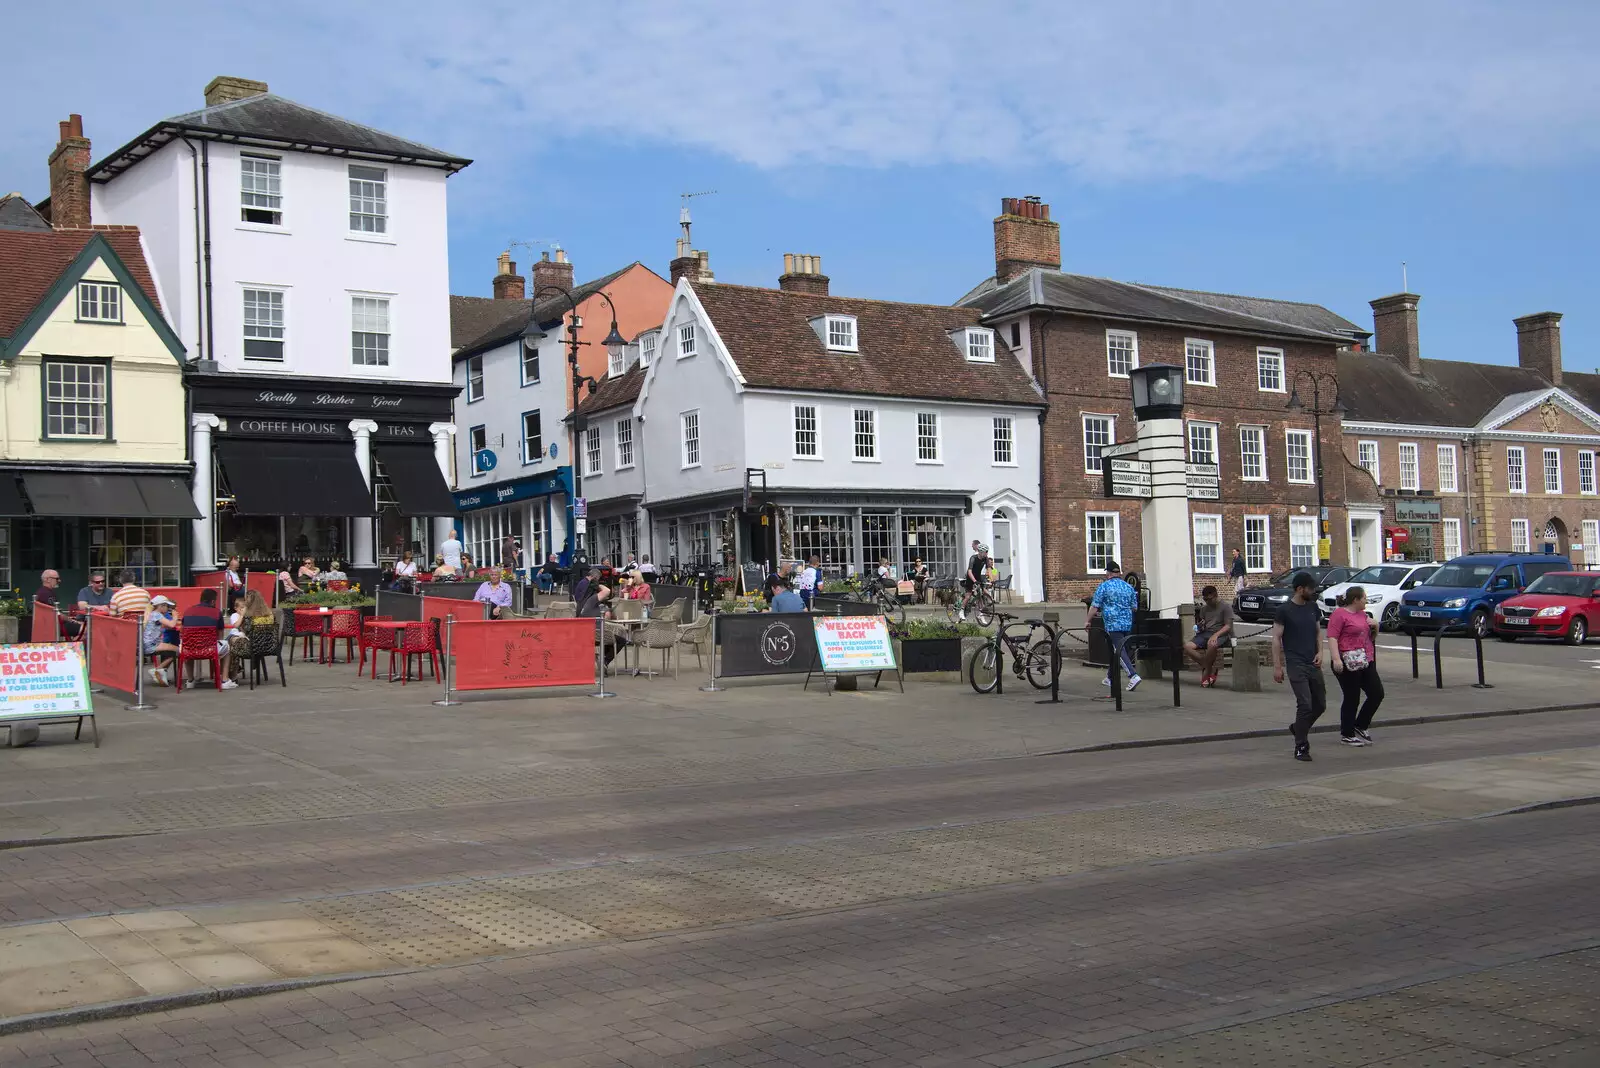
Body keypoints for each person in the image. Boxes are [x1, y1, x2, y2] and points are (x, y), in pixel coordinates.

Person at [1273, 572, 1326, 762]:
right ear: (1299, 589)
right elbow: (1277, 639)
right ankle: (1301, 745)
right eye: (1310, 589)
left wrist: (1320, 652)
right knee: (1305, 704)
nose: (1313, 592)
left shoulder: (1313, 608)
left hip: (1313, 662)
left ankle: (1298, 728)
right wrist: (1278, 666)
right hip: (1295, 663)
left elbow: (1318, 633)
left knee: (1320, 705)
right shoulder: (1285, 610)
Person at [1327, 586, 1383, 747]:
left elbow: (1370, 637)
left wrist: (1376, 626)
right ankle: (1347, 733)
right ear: (1356, 600)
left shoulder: (1363, 615)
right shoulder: (1339, 615)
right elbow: (1332, 637)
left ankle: (1360, 725)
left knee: (1377, 693)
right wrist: (1336, 659)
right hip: (1347, 660)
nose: (1366, 600)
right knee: (1352, 697)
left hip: (1366, 659)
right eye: (1364, 598)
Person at [1089, 561, 1140, 691]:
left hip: (1112, 624)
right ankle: (1109, 678)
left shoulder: (1104, 587)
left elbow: (1095, 606)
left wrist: (1088, 620)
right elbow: (1134, 608)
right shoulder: (1129, 587)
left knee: (1118, 650)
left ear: (1109, 573)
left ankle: (1133, 675)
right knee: (1116, 650)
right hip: (1127, 624)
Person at [180, 589, 236, 689]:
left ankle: (190, 680)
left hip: (190, 648)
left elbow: (182, 631)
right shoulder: (216, 612)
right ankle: (224, 679)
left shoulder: (188, 611)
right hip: (209, 648)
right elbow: (220, 635)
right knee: (227, 647)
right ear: (213, 601)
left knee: (185, 646)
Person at [1184, 585, 1234, 687]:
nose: (1207, 602)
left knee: (1212, 644)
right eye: (1205, 599)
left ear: (1215, 596)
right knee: (1187, 647)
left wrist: (1215, 635)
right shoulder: (1204, 609)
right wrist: (1199, 626)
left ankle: (1206, 673)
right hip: (1205, 633)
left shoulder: (1225, 607)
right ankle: (1210, 668)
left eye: (1209, 599)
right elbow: (1201, 626)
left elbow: (1228, 626)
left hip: (1220, 633)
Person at [576, 581, 626, 665]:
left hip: (590, 634)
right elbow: (607, 591)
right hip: (595, 634)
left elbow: (607, 617)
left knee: (610, 640)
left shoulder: (589, 602)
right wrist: (598, 585)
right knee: (621, 641)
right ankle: (605, 661)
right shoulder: (592, 599)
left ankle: (602, 660)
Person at [34, 569, 84, 639]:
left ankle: (72, 647)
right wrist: (74, 621)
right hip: (54, 625)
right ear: (48, 579)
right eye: (57, 579)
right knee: (87, 630)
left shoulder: (44, 592)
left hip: (53, 624)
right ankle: (71, 648)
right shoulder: (46, 594)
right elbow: (56, 614)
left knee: (85, 629)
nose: (59, 581)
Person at [143, 596, 180, 686]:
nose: (168, 609)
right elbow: (171, 625)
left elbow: (161, 627)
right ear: (160, 606)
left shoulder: (151, 614)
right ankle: (157, 670)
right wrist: (175, 617)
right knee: (179, 650)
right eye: (167, 606)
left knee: (174, 651)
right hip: (152, 645)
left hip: (147, 644)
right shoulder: (157, 614)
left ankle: (160, 672)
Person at [958, 545, 991, 622]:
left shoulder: (985, 558)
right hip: (970, 577)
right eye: (986, 552)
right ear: (981, 552)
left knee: (980, 595)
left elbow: (989, 569)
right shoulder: (973, 558)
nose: (987, 553)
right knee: (968, 595)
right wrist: (974, 581)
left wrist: (992, 580)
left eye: (987, 552)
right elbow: (969, 571)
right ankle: (961, 611)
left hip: (978, 576)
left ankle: (980, 614)